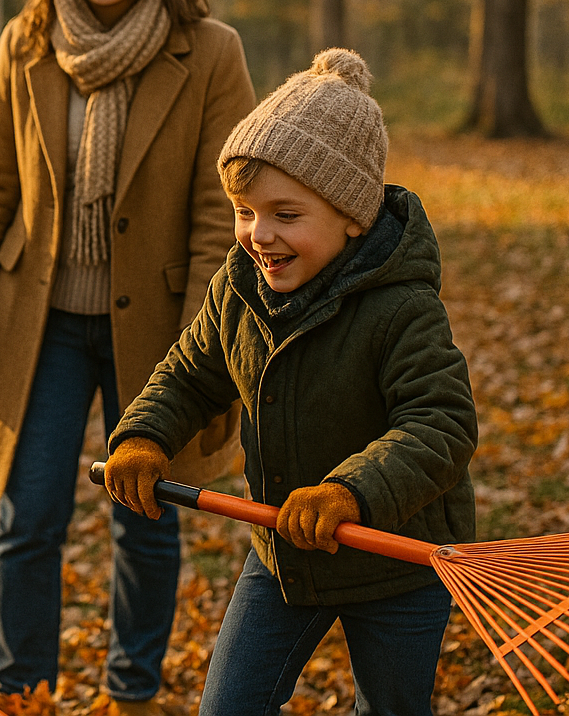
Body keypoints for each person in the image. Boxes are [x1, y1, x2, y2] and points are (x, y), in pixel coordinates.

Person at [0, 0, 255, 713]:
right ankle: (22, 693)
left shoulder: (211, 52)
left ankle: (133, 692)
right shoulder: (27, 42)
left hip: (158, 332)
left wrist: (206, 354)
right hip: (37, 323)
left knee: (145, 517)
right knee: (29, 517)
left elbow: (220, 212)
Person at [104, 48, 478, 715]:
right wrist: (142, 437)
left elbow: (440, 424)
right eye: (244, 211)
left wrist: (348, 492)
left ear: (353, 216)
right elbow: (189, 376)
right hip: (285, 552)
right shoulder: (239, 290)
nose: (258, 235)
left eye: (285, 214)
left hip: (396, 558)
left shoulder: (402, 307)